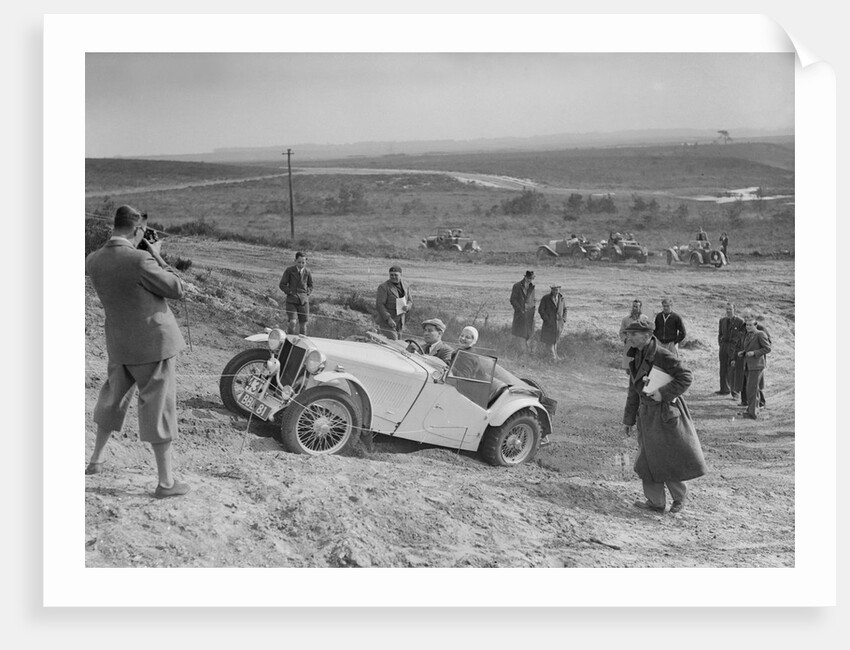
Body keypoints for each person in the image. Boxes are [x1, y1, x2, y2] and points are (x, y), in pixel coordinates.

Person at [85, 205, 190, 498]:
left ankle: (96, 460)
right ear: (137, 230)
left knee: (111, 400)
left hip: (119, 344)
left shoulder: (93, 260)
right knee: (159, 408)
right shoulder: (141, 259)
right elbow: (177, 288)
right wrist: (156, 253)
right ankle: (166, 482)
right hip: (153, 345)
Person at [622, 317, 707, 514]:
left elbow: (686, 376)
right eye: (628, 334)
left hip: (665, 414)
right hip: (646, 416)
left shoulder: (662, 354)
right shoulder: (635, 356)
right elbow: (633, 391)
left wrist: (663, 394)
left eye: (633, 334)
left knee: (668, 458)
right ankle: (655, 502)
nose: (629, 338)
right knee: (646, 461)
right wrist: (628, 420)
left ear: (647, 336)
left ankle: (679, 498)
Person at [731, 309, 770, 408]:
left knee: (755, 383)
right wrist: (735, 357)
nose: (747, 319)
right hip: (744, 358)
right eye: (745, 318)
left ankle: (761, 402)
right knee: (744, 380)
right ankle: (745, 401)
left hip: (756, 360)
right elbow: (738, 343)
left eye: (749, 317)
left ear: (753, 318)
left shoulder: (760, 329)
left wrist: (755, 353)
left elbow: (767, 345)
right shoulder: (743, 328)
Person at [278, 251, 313, 335]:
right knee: (292, 322)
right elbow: (282, 284)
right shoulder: (289, 270)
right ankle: (289, 340)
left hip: (303, 302)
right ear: (295, 261)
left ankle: (301, 344)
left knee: (303, 325)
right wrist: (290, 292)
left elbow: (310, 285)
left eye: (303, 263)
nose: (301, 264)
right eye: (299, 262)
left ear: (306, 262)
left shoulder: (307, 272)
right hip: (291, 300)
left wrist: (306, 293)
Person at [375, 265, 413, 340]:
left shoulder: (406, 285)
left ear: (401, 275)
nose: (393, 277)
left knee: (398, 342)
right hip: (386, 322)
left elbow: (410, 300)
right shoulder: (383, 287)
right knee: (393, 342)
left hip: (400, 321)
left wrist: (408, 307)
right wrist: (388, 319)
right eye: (391, 275)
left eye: (396, 275)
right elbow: (380, 305)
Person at [717, 302, 744, 396]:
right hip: (724, 346)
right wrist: (721, 344)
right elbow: (720, 334)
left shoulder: (740, 321)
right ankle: (724, 389)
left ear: (734, 310)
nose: (728, 311)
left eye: (730, 309)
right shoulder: (722, 320)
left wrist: (736, 347)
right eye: (727, 309)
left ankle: (735, 391)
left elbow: (742, 336)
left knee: (732, 369)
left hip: (733, 347)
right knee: (723, 368)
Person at [538, 284, 567, 361]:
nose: (555, 291)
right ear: (551, 290)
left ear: (559, 290)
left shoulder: (562, 299)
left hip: (558, 325)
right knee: (549, 342)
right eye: (553, 289)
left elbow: (565, 309)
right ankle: (553, 358)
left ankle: (554, 357)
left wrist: (563, 319)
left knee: (555, 341)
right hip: (549, 324)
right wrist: (547, 319)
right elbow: (541, 310)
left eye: (556, 290)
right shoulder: (546, 298)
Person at [510, 270, 536, 352]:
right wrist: (519, 310)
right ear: (525, 277)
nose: (529, 280)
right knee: (520, 334)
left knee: (529, 333)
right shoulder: (517, 286)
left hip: (529, 315)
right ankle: (521, 352)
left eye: (531, 278)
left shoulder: (532, 287)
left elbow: (533, 300)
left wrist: (533, 309)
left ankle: (527, 352)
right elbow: (513, 300)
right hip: (520, 314)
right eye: (528, 278)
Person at [619, 299, 643, 372]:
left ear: (640, 308)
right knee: (629, 369)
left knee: (639, 369)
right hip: (629, 345)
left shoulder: (644, 319)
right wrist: (625, 339)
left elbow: (649, 332)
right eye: (633, 306)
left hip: (640, 346)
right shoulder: (626, 319)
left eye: (636, 307)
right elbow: (622, 332)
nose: (634, 308)